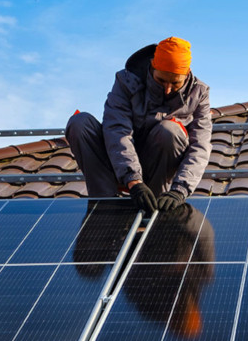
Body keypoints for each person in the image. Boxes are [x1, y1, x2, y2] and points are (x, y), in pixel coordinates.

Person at [65, 37, 212, 212]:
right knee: (79, 123)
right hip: (118, 165)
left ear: (187, 74)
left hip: (157, 170)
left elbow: (200, 146)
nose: (167, 89)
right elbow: (118, 130)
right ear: (152, 66)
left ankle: (155, 206)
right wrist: (133, 181)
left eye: (175, 83)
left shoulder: (199, 94)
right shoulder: (126, 81)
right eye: (161, 80)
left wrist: (180, 191)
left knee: (169, 131)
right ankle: (104, 204)